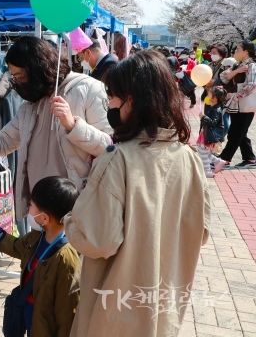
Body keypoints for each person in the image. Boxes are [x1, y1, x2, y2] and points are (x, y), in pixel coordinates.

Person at [64, 50, 211, 337]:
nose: (110, 105)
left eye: (113, 98)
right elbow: (201, 231)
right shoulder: (189, 157)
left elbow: (98, 240)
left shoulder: (118, 160)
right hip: (164, 307)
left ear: (131, 100)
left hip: (116, 313)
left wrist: (71, 220)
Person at [0, 36, 112, 233]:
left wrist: (72, 125)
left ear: (38, 68)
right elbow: (1, 143)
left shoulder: (89, 89)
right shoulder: (29, 106)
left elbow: (109, 147)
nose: (17, 83)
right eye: (15, 78)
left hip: (76, 212)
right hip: (40, 215)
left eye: (20, 77)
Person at [0, 176, 80, 337]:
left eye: (31, 206)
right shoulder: (37, 236)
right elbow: (16, 246)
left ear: (44, 218)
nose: (29, 209)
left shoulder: (67, 260)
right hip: (29, 313)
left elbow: (68, 314)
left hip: (45, 326)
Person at [214, 41, 256, 171]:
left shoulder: (252, 66)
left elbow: (252, 84)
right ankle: (250, 158)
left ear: (246, 51)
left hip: (245, 104)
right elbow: (224, 77)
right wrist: (237, 70)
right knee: (240, 132)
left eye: (238, 49)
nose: (235, 52)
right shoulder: (238, 65)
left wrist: (235, 95)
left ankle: (224, 159)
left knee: (235, 132)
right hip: (237, 104)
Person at [197, 86, 226, 177]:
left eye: (210, 93)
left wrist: (203, 117)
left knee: (202, 151)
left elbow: (213, 122)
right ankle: (218, 161)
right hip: (206, 132)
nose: (208, 94)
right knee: (202, 150)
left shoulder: (217, 109)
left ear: (215, 97)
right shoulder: (213, 106)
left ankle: (207, 171)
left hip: (210, 134)